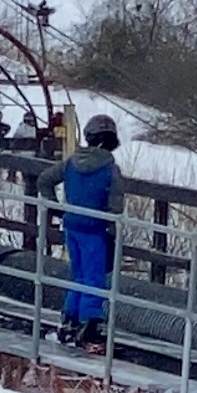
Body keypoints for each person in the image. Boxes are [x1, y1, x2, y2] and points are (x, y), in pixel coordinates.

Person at [36, 113, 126, 349]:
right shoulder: (110, 169)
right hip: (95, 227)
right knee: (94, 277)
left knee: (78, 274)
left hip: (72, 225)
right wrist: (112, 226)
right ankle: (89, 323)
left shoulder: (71, 162)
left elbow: (44, 180)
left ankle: (69, 319)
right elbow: (116, 206)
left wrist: (55, 207)